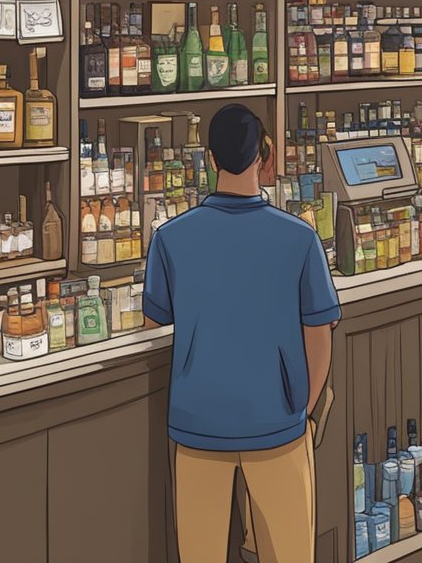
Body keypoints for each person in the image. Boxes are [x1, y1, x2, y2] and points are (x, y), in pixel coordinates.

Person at [143, 104, 339, 563]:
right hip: (277, 427)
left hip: (197, 425)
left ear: (208, 160)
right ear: (263, 155)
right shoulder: (300, 238)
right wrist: (300, 410)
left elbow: (154, 332)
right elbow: (320, 339)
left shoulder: (170, 239)